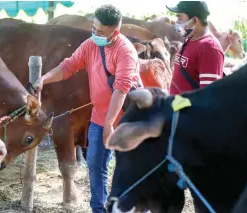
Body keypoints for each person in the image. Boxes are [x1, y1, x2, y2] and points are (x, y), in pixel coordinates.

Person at [33, 4, 142, 213]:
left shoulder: (126, 51)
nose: (95, 34)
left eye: (100, 32)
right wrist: (44, 79)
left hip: (126, 121)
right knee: (95, 166)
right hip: (100, 118)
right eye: (94, 28)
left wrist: (110, 124)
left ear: (115, 31)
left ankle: (132, 208)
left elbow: (121, 89)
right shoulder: (91, 45)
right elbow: (68, 66)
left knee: (128, 169)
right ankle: (98, 209)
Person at [166, 1, 225, 95]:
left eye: (180, 18)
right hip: (176, 107)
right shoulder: (190, 39)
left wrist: (179, 106)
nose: (176, 22)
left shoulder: (210, 48)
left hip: (186, 109)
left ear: (195, 20)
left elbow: (208, 97)